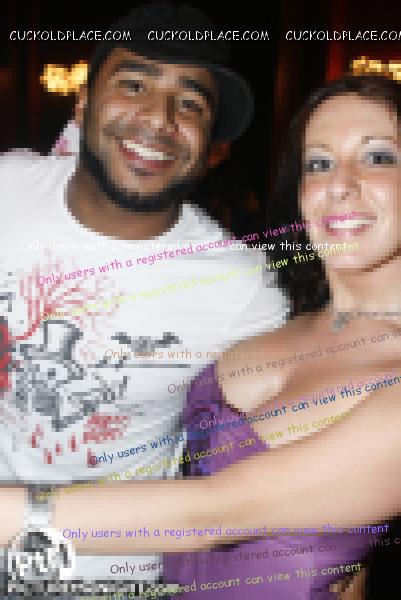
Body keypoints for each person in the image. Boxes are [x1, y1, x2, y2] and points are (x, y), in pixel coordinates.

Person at [4, 74, 400, 599]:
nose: (340, 185)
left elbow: (212, 513)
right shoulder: (272, 311)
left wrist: (19, 514)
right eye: (319, 163)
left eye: (378, 157)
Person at [0, 3, 287, 598]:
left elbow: (286, 448)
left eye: (191, 104)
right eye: (133, 85)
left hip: (107, 576)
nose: (158, 118)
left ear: (212, 147)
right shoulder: (7, 189)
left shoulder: (241, 287)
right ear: (83, 104)